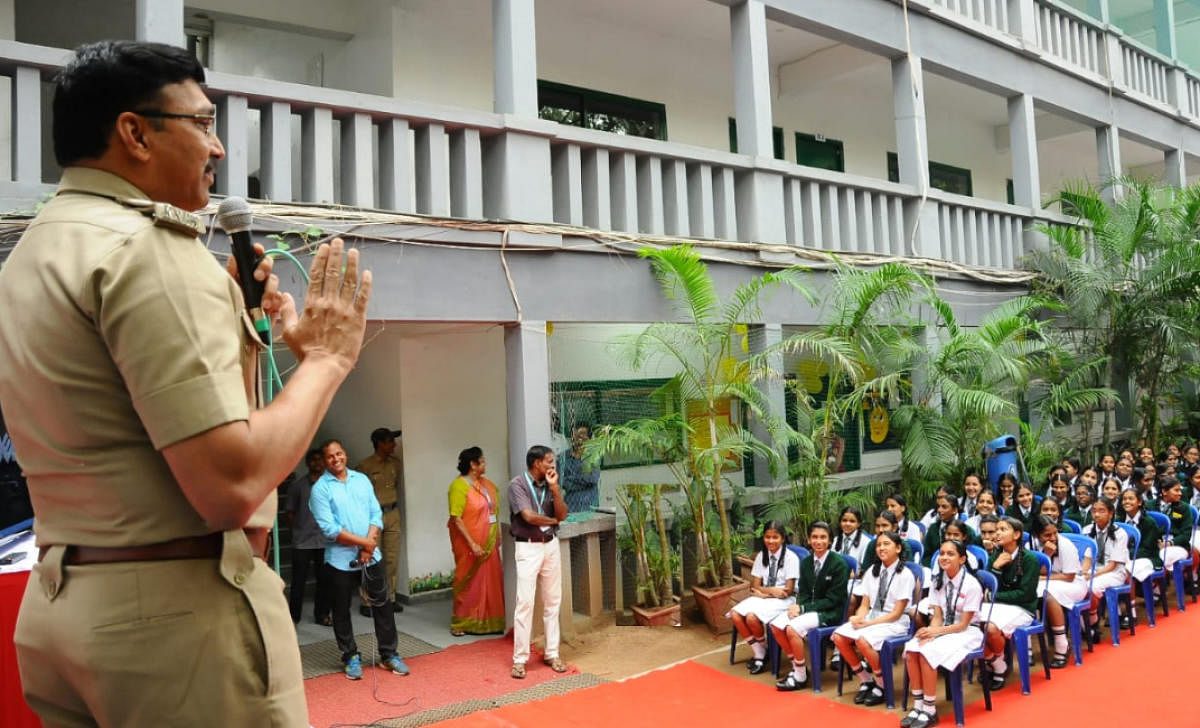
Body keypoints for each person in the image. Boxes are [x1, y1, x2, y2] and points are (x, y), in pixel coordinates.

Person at [0, 41, 370, 726]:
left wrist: (234, 326)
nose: (220, 147)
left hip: (64, 605)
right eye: (202, 123)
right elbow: (228, 485)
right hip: (173, 625)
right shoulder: (147, 251)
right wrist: (326, 360)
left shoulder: (37, 248)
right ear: (134, 133)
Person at [310, 440, 409, 680]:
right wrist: (364, 543)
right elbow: (330, 529)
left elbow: (376, 514)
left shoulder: (361, 480)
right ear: (324, 461)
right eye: (330, 456)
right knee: (341, 610)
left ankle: (389, 654)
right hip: (339, 560)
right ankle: (350, 656)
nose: (336, 459)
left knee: (382, 605)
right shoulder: (320, 489)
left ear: (345, 454)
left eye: (339, 453)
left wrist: (369, 544)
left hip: (371, 556)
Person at [901, 540, 984, 728]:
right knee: (914, 647)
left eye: (950, 554)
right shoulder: (938, 580)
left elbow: (963, 625)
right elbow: (937, 616)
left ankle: (930, 709)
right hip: (944, 629)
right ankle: (918, 704)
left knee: (927, 653)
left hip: (968, 632)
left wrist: (936, 632)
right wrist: (931, 632)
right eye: (942, 553)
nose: (944, 557)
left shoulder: (971, 584)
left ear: (962, 559)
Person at [832, 531, 916, 706]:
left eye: (886, 544)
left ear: (898, 548)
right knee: (839, 637)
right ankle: (865, 679)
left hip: (895, 622)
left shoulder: (905, 574)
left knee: (863, 641)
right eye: (878, 545)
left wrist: (868, 623)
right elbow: (865, 604)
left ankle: (882, 684)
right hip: (872, 616)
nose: (881, 548)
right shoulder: (872, 570)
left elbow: (897, 614)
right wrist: (858, 618)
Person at [509, 444, 570, 679]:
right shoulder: (518, 485)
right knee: (524, 603)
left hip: (551, 545)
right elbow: (528, 516)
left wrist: (555, 489)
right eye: (549, 461)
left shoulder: (550, 484)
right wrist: (554, 520)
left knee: (553, 602)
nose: (553, 465)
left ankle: (552, 653)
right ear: (536, 464)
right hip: (528, 547)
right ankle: (519, 659)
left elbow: (563, 514)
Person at [770, 521, 850, 691]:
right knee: (776, 625)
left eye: (823, 537)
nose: (818, 541)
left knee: (791, 629)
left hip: (829, 613)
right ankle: (799, 667)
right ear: (808, 539)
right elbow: (804, 592)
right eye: (814, 537)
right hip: (808, 610)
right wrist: (798, 607)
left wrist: (804, 609)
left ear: (830, 541)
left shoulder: (839, 564)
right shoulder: (805, 562)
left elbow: (833, 600)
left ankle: (799, 677)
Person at [447, 446, 504, 636]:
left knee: (490, 579)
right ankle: (461, 623)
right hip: (468, 544)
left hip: (489, 542)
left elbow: (493, 511)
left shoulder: (486, 484)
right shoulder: (458, 487)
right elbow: (456, 518)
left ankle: (489, 622)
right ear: (473, 464)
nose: (485, 464)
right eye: (482, 460)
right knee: (468, 580)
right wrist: (472, 543)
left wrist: (497, 534)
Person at [731, 521, 799, 674]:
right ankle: (761, 650)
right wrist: (771, 591)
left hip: (785, 600)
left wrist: (766, 593)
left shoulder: (791, 558)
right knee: (735, 614)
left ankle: (761, 656)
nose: (771, 541)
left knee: (751, 618)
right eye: (767, 537)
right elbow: (754, 586)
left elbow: (787, 591)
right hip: (763, 597)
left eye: (775, 537)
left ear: (782, 539)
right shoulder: (762, 555)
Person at [981, 516, 1040, 690]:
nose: (997, 533)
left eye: (1002, 529)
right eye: (996, 529)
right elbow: (988, 585)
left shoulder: (1029, 559)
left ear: (1016, 534)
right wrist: (996, 568)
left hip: (1022, 608)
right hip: (998, 604)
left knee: (990, 628)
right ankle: (998, 662)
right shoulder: (996, 556)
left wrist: (994, 597)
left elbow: (1025, 594)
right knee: (970, 623)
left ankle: (997, 663)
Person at [356, 427, 405, 607]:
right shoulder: (365, 466)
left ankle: (389, 598)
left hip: (392, 514)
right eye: (390, 441)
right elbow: (359, 495)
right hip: (373, 518)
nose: (394, 444)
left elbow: (395, 484)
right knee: (371, 558)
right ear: (380, 443)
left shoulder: (395, 464)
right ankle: (367, 601)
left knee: (392, 558)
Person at [1033, 515, 1089, 668]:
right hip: (1050, 581)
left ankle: (1061, 645)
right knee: (1030, 591)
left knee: (1049, 595)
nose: (1053, 538)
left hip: (1073, 584)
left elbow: (1069, 576)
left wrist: (1043, 579)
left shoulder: (1066, 545)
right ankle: (1029, 649)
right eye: (1047, 535)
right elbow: (1037, 572)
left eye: (1055, 533)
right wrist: (1047, 555)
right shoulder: (1030, 545)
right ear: (1037, 535)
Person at [287, 448, 332, 625]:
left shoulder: (330, 485)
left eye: (320, 459)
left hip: (325, 541)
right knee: (298, 581)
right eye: (313, 460)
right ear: (307, 463)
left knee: (325, 580)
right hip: (302, 541)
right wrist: (297, 530)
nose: (317, 463)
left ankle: (322, 614)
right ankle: (293, 616)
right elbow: (290, 512)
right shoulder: (297, 486)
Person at [1081, 497, 1129, 643]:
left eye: (1101, 511)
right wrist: (1084, 573)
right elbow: (1087, 558)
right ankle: (1091, 621)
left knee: (1091, 587)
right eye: (1094, 511)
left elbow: (1113, 564)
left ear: (1111, 513)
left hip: (1114, 572)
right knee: (1079, 583)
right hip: (1094, 571)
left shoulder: (1120, 533)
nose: (1096, 515)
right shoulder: (1087, 530)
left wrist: (1092, 575)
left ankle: (1092, 622)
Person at [558, 423, 600, 513]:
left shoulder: (594, 455)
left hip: (590, 506)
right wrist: (582, 479)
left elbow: (592, 479)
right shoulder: (562, 457)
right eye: (576, 437)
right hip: (570, 507)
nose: (579, 440)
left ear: (589, 438)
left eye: (582, 437)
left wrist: (569, 480)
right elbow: (560, 481)